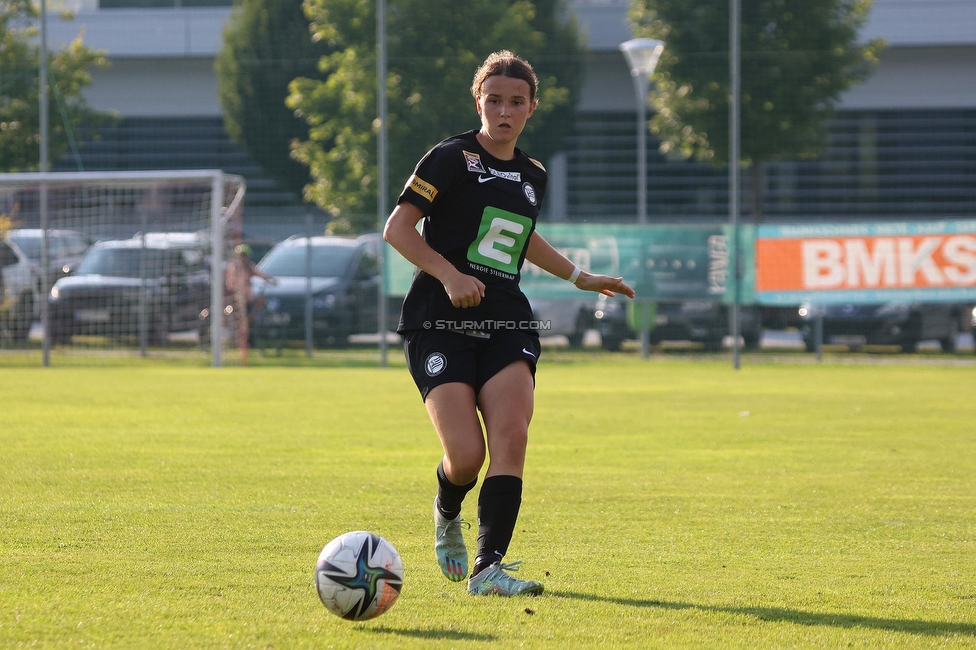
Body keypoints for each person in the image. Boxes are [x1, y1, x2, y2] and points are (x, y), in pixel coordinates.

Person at [383, 50, 635, 597]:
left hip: (507, 322)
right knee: (467, 455)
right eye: (493, 99)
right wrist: (449, 276)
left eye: (515, 102)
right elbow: (398, 229)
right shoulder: (449, 158)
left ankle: (488, 569)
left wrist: (577, 276)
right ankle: (447, 509)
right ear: (479, 101)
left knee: (511, 439)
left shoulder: (532, 174)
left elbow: (521, 236)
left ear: (530, 109)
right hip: (439, 321)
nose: (504, 110)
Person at [224, 243, 276, 364]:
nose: (243, 258)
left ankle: (246, 346)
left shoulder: (249, 267)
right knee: (242, 325)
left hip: (248, 300)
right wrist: (239, 289)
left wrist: (269, 279)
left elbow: (260, 274)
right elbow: (230, 285)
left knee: (251, 317)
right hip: (238, 301)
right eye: (241, 256)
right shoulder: (234, 268)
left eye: (244, 256)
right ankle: (242, 348)